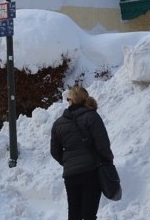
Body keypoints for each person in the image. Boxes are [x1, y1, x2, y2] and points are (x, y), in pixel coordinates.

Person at [51, 86, 114, 220]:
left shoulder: (58, 123)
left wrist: (68, 162)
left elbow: (54, 151)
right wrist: (107, 161)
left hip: (71, 175)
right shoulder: (92, 117)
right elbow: (102, 144)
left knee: (74, 213)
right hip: (91, 171)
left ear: (71, 101)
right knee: (89, 215)